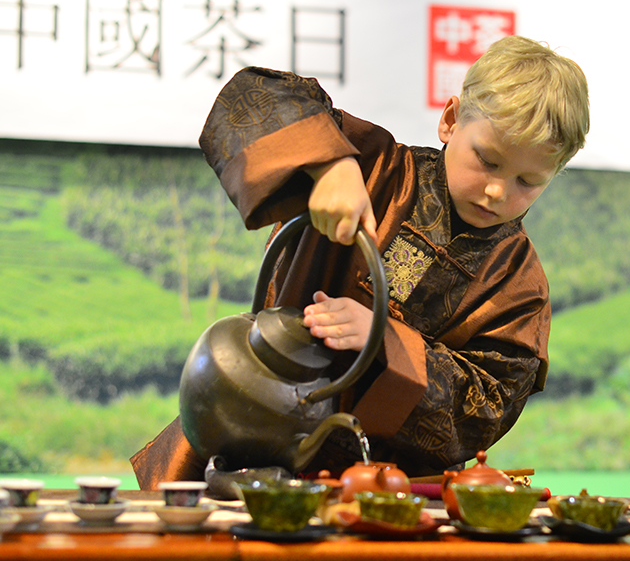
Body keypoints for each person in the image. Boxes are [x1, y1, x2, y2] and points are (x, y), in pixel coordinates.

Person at [130, 35, 590, 489]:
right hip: (247, 427)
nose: (498, 191)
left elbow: (487, 409)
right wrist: (330, 164)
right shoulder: (377, 167)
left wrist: (386, 342)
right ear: (450, 120)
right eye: (487, 160)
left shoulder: (519, 285)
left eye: (528, 181)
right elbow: (251, 94)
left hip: (378, 486)